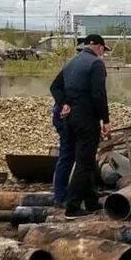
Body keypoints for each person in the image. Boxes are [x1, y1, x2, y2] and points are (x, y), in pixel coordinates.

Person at [50, 34, 111, 218]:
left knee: (86, 160)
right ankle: (73, 206)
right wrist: (105, 120)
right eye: (103, 50)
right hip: (86, 119)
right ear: (99, 47)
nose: (103, 53)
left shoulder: (72, 63)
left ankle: (91, 201)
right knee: (84, 163)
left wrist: (64, 103)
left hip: (70, 119)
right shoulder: (96, 64)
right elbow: (98, 94)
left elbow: (55, 87)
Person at [49, 72, 75, 207]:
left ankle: (64, 193)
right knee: (67, 155)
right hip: (64, 117)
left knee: (68, 155)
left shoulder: (72, 68)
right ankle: (60, 196)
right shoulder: (71, 70)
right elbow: (54, 87)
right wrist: (64, 104)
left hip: (64, 115)